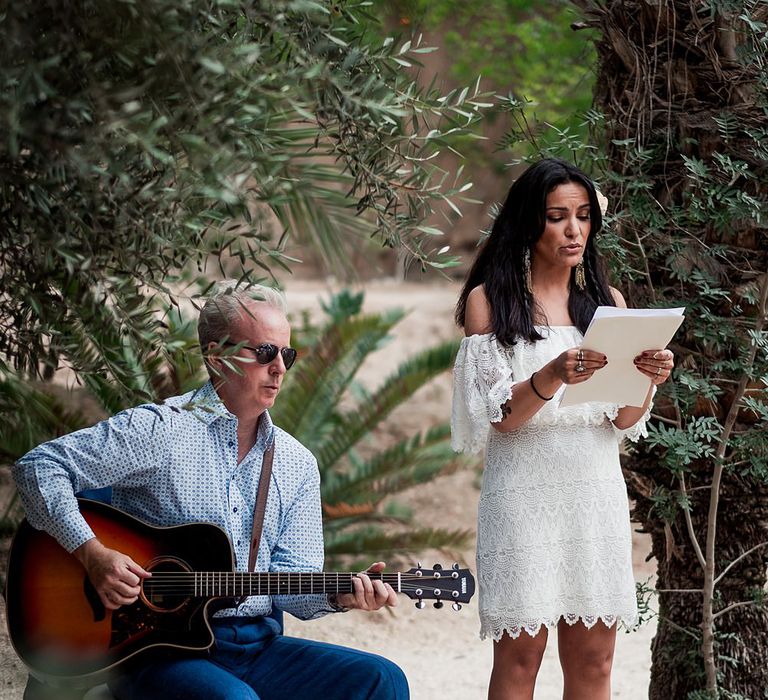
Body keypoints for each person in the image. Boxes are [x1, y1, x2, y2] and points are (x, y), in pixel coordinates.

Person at [13, 281, 409, 700]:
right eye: (264, 353)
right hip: (153, 651)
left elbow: (293, 582)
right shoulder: (160, 431)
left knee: (382, 680)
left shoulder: (297, 464)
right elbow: (39, 467)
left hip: (255, 646)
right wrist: (92, 555)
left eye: (286, 354)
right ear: (216, 356)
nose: (279, 368)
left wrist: (341, 594)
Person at [451, 158, 674, 700]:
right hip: (523, 496)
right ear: (531, 222)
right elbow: (500, 416)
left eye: (582, 216)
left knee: (596, 661)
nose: (574, 230)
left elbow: (621, 418)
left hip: (593, 493)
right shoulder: (490, 303)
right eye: (557, 217)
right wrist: (552, 374)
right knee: (520, 658)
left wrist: (648, 379)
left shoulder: (608, 304)